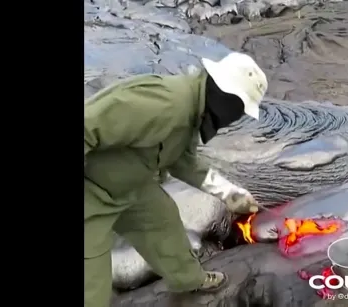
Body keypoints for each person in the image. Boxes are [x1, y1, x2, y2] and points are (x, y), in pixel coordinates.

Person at [84, 52, 268, 307]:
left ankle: (188, 280)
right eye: (240, 109)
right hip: (92, 192)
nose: (236, 117)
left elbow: (184, 161)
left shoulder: (190, 112)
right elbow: (87, 124)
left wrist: (229, 194)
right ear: (227, 98)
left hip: (131, 187)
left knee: (163, 224)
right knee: (91, 283)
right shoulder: (163, 103)